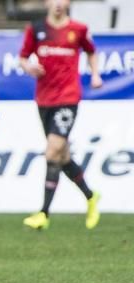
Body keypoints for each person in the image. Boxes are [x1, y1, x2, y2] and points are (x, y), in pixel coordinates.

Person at [20, 0, 102, 230]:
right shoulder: (35, 29)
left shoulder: (78, 29)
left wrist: (95, 75)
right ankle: (91, 196)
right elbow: (23, 57)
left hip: (68, 98)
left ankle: (44, 213)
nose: (58, 3)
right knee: (62, 156)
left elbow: (91, 52)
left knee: (52, 150)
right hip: (44, 99)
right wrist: (29, 67)